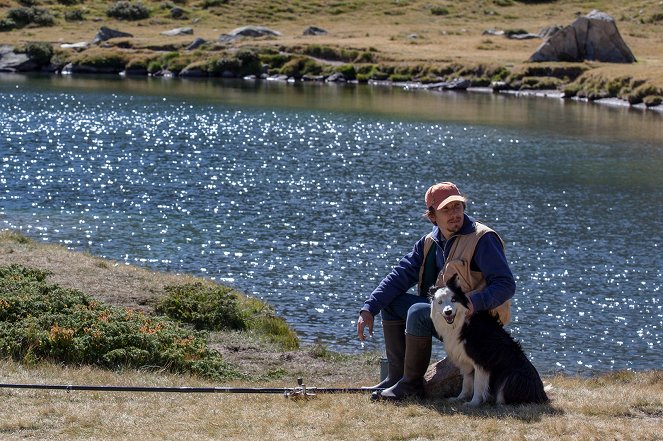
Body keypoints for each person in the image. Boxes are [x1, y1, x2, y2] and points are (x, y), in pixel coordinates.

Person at [357, 182, 515, 401]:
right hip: (448, 316)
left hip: (477, 323)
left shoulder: (483, 239)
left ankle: (412, 385)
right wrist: (369, 308)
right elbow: (399, 276)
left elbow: (506, 284)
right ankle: (397, 377)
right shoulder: (428, 242)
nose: (454, 214)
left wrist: (475, 302)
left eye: (457, 207)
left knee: (418, 312)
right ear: (432, 217)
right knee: (391, 302)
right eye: (446, 209)